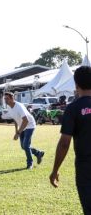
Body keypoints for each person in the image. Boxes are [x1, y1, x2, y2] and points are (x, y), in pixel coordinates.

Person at [50, 66, 91, 214]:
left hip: (86, 167)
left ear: (76, 84)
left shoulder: (73, 108)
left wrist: (55, 170)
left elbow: (64, 143)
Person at [4, 92, 44, 169]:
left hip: (29, 125)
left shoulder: (19, 106)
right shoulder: (9, 106)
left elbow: (25, 121)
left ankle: (30, 163)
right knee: (24, 147)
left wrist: (18, 133)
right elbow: (15, 119)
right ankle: (38, 153)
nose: (5, 100)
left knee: (26, 145)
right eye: (5, 99)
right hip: (22, 126)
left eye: (7, 99)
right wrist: (16, 131)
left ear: (12, 99)